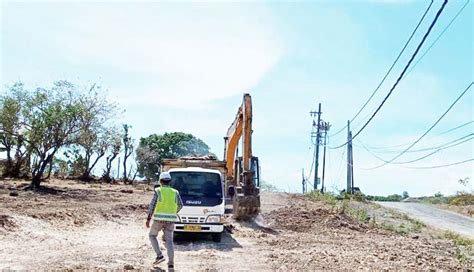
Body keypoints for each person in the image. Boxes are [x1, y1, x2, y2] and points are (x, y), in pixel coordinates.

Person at [146, 172, 183, 270]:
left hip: (158, 219)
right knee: (169, 242)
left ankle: (159, 255)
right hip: (170, 221)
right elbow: (180, 205)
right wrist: (173, 212)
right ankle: (171, 264)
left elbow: (152, 205)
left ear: (160, 181)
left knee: (152, 235)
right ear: (169, 181)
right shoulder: (175, 192)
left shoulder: (158, 190)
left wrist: (148, 219)